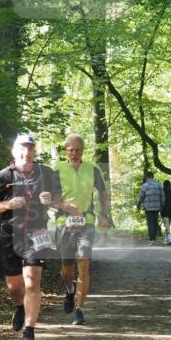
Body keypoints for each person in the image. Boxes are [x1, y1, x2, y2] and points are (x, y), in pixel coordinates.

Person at [0, 133, 61, 340]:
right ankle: (19, 305)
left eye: (30, 149)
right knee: (15, 287)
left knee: (33, 280)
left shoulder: (47, 173)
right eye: (22, 149)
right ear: (14, 152)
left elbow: (59, 200)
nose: (26, 153)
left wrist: (50, 200)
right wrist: (7, 205)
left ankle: (29, 331)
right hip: (10, 234)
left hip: (37, 233)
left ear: (34, 152)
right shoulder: (3, 177)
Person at [54, 134, 111, 326]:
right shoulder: (57, 170)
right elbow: (50, 198)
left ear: (83, 150)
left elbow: (103, 193)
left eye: (77, 150)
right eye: (70, 150)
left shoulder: (93, 169)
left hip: (86, 220)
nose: (74, 153)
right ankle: (70, 290)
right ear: (65, 151)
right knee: (66, 269)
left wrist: (104, 214)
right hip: (63, 222)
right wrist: (63, 205)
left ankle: (79, 309)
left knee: (84, 261)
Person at [136, 170, 164, 245]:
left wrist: (138, 205)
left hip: (148, 207)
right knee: (155, 222)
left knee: (150, 223)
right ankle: (154, 238)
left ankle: (152, 240)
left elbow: (141, 197)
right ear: (153, 177)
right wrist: (162, 205)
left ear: (147, 177)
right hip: (157, 207)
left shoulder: (144, 185)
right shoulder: (159, 185)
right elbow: (162, 196)